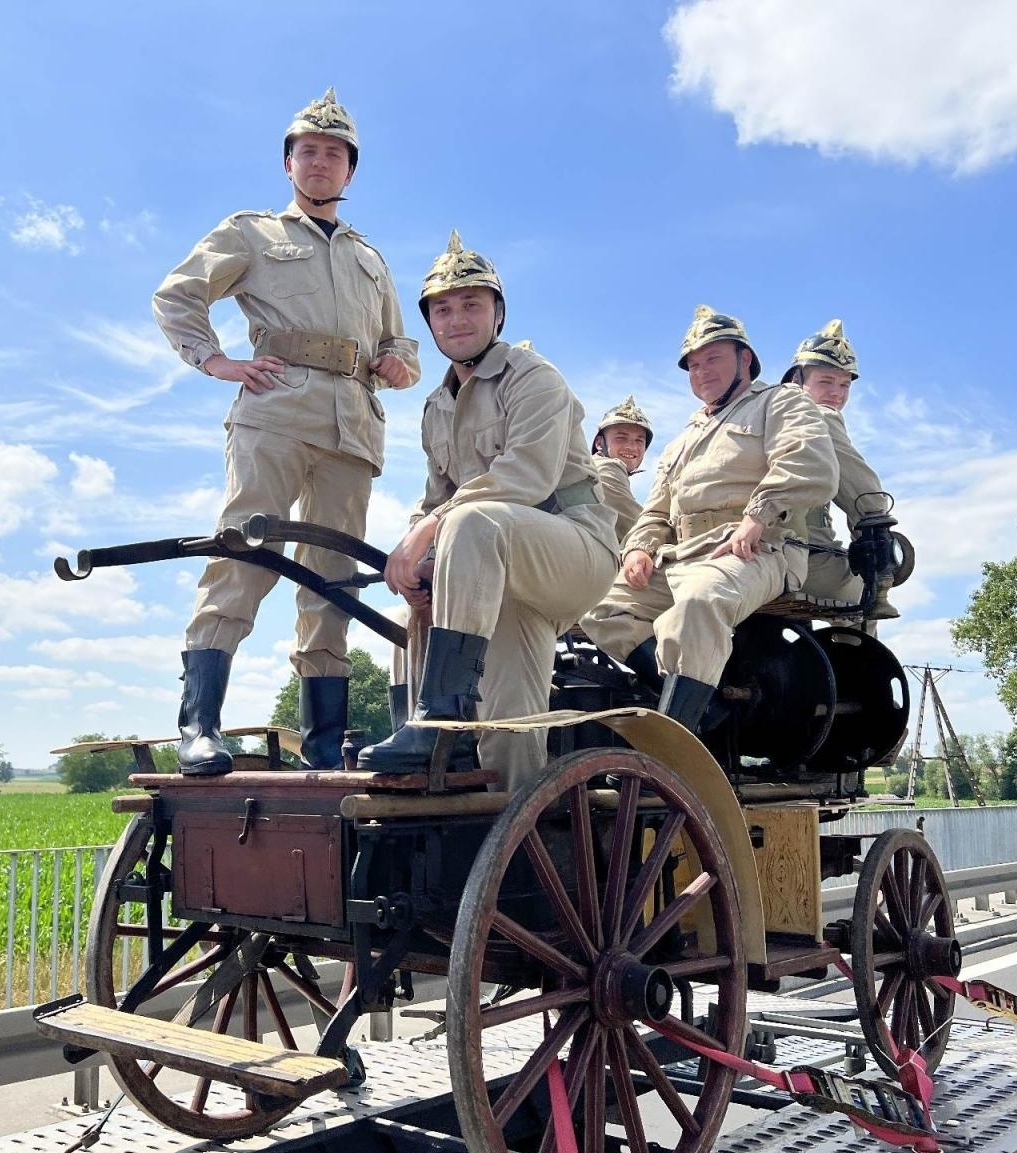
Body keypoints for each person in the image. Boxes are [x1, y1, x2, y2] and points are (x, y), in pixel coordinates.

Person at [152, 89, 421, 774]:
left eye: (335, 154)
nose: (322, 162)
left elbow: (402, 341)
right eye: (309, 152)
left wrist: (398, 362)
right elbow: (178, 293)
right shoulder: (251, 233)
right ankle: (199, 728)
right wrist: (216, 360)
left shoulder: (373, 258)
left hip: (353, 429)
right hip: (274, 410)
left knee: (333, 580)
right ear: (289, 165)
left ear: (351, 172)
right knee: (242, 552)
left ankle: (325, 742)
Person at [356, 233, 619, 790]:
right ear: (429, 324)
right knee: (510, 726)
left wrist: (431, 529)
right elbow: (432, 499)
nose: (456, 319)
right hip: (497, 574)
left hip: (574, 550)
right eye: (442, 309)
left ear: (497, 314)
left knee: (469, 521)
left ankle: (439, 717)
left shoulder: (534, 377)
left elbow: (526, 476)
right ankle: (521, 848)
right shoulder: (436, 406)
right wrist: (420, 563)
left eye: (471, 304)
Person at [585, 305, 838, 731]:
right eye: (694, 365)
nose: (702, 371)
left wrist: (757, 515)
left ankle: (674, 746)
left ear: (745, 360)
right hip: (684, 554)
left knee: (700, 602)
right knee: (600, 605)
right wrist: (639, 549)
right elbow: (656, 511)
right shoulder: (682, 440)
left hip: (759, 547)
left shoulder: (780, 402)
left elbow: (811, 463)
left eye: (713, 359)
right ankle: (704, 709)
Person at [783, 320, 899, 621]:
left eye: (844, 384)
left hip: (740, 553)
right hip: (801, 556)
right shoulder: (818, 416)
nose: (836, 393)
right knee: (864, 594)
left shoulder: (763, 416)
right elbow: (866, 496)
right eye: (826, 381)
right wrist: (875, 538)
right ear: (797, 381)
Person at [591, 396, 651, 545]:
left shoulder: (592, 465)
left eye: (639, 440)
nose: (631, 447)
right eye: (621, 438)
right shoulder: (607, 467)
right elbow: (639, 528)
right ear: (599, 443)